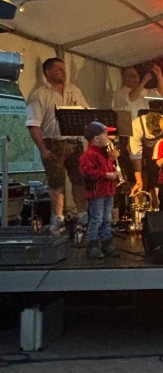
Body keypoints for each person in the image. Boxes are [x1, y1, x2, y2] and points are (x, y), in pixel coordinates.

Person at [25, 56, 89, 232]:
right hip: (53, 143)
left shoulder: (74, 90)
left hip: (75, 142)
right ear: (48, 72)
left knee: (79, 179)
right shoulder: (40, 94)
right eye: (58, 69)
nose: (63, 72)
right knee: (56, 182)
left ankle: (83, 215)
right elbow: (33, 125)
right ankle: (58, 218)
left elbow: (86, 113)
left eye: (64, 68)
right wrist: (43, 149)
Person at [79, 121, 121, 260]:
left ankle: (106, 242)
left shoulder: (104, 153)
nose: (108, 137)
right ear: (96, 138)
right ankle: (93, 245)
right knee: (97, 218)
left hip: (107, 191)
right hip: (97, 192)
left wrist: (114, 168)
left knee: (107, 218)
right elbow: (87, 172)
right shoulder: (89, 155)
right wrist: (106, 175)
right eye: (106, 134)